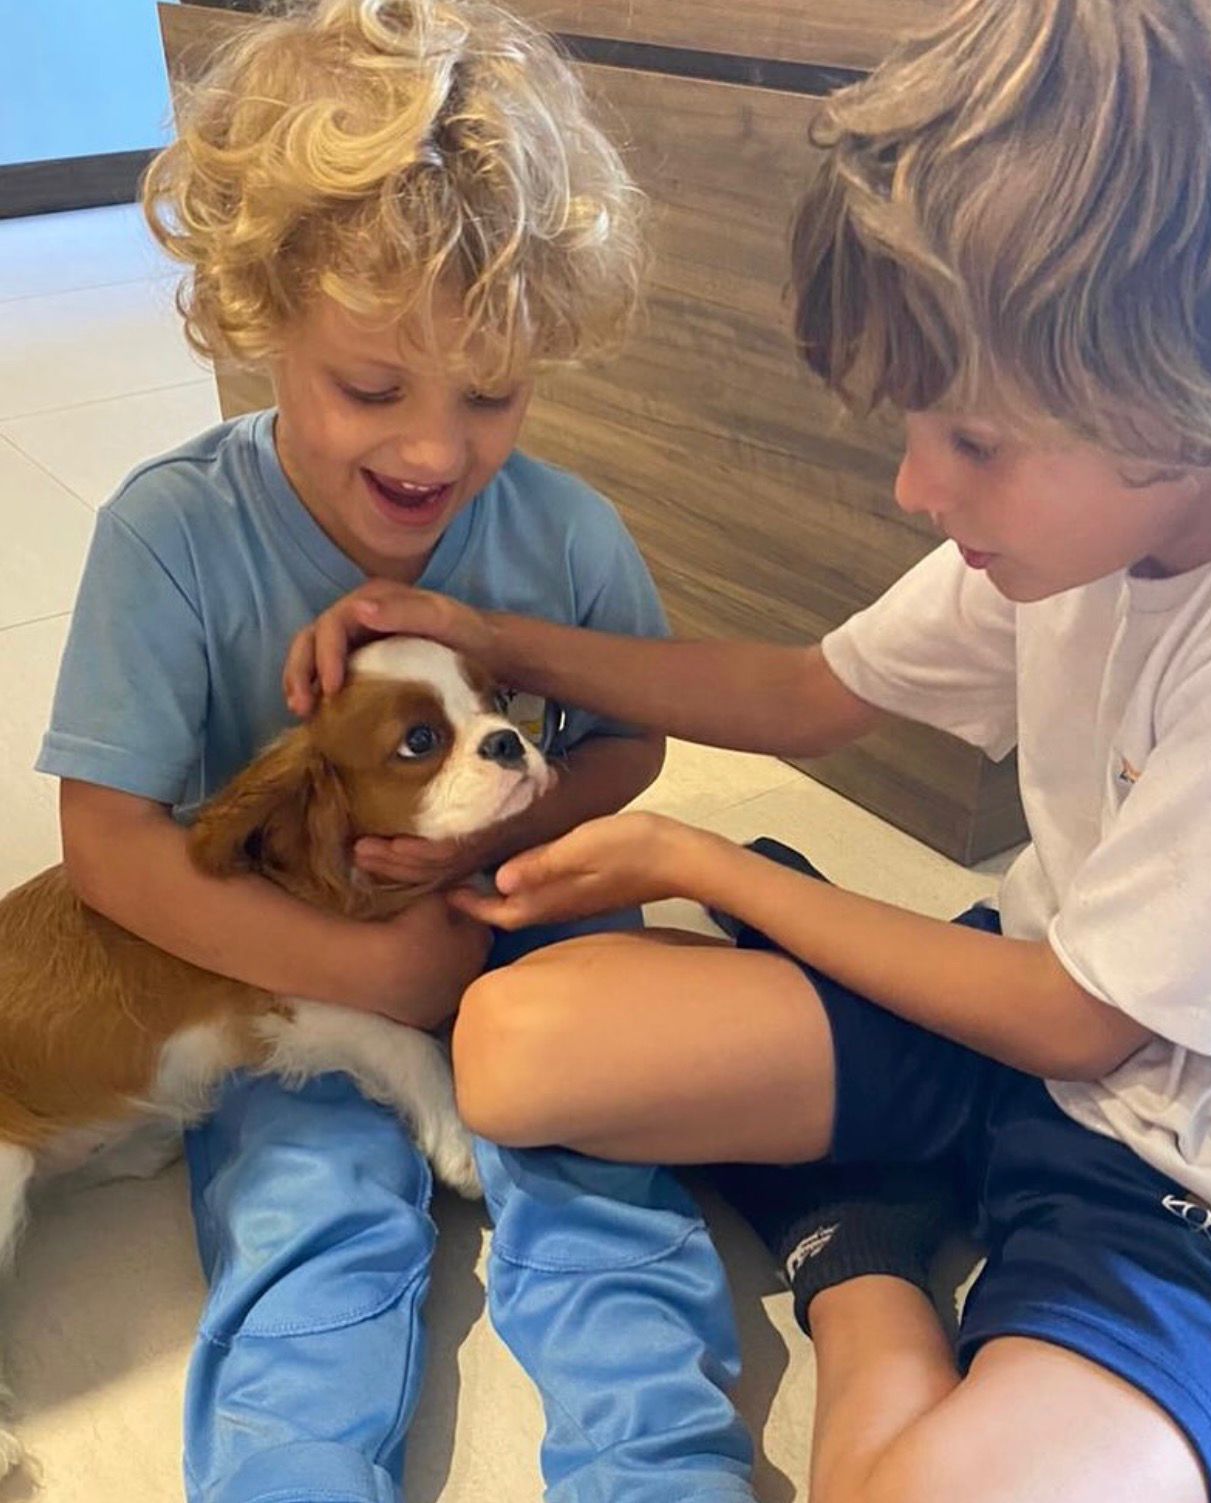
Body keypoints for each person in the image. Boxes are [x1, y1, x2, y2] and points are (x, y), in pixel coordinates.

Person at [288, 2, 1211, 1499]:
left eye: (970, 441)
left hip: (1203, 1171)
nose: (911, 486)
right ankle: (886, 1180)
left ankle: (856, 1237)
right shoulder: (1066, 538)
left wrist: (701, 865)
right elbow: (803, 696)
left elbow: (1090, 1028)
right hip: (999, 1023)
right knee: (508, 1052)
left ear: (1177, 388)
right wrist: (497, 640)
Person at [37, 2, 760, 1500]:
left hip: (538, 916)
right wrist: (365, 974)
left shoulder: (564, 532)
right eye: (374, 387)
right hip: (281, 974)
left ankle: (667, 1472)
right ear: (258, 322)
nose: (435, 448)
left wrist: (493, 842)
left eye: (490, 393)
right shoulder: (170, 536)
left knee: (603, 1200)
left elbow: (629, 745)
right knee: (313, 1218)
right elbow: (106, 842)